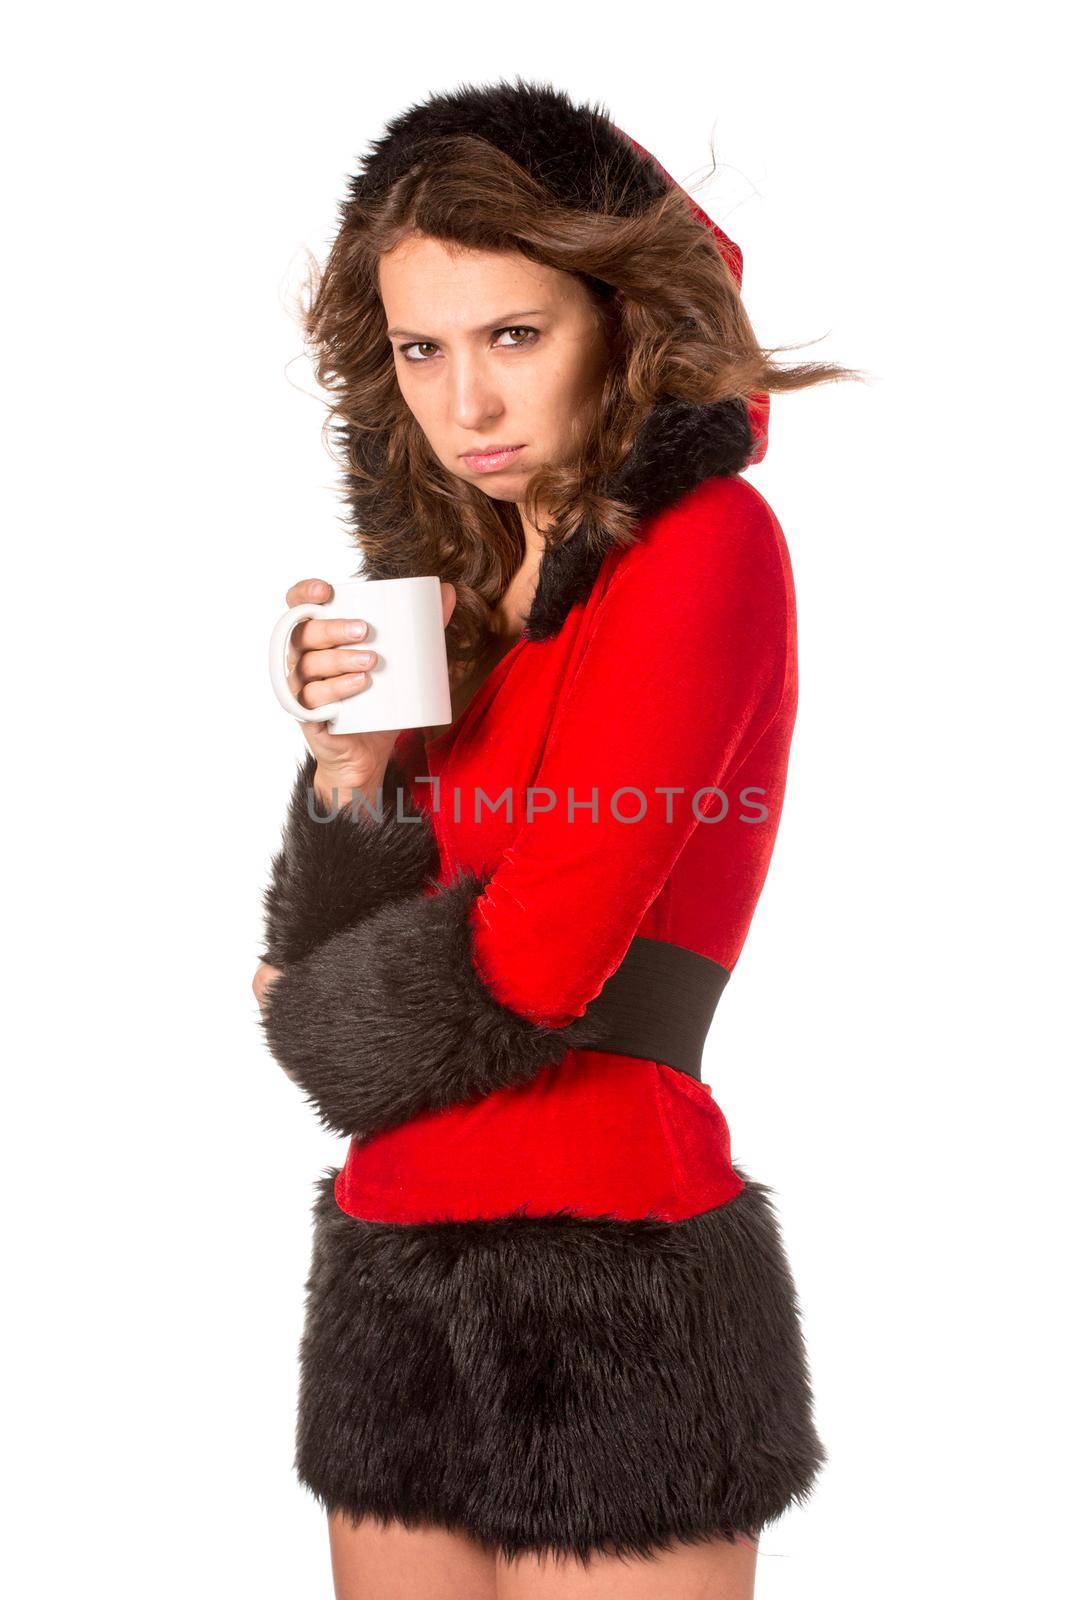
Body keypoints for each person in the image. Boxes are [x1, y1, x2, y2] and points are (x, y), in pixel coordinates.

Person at [254, 77, 855, 1600]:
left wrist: (317, 1021)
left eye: (515, 335)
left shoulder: (710, 545)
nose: (467, 405)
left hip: (619, 1266)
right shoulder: (458, 613)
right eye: (422, 350)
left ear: (622, 322)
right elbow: (327, 945)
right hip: (393, 1264)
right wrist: (353, 770)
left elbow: (538, 958)